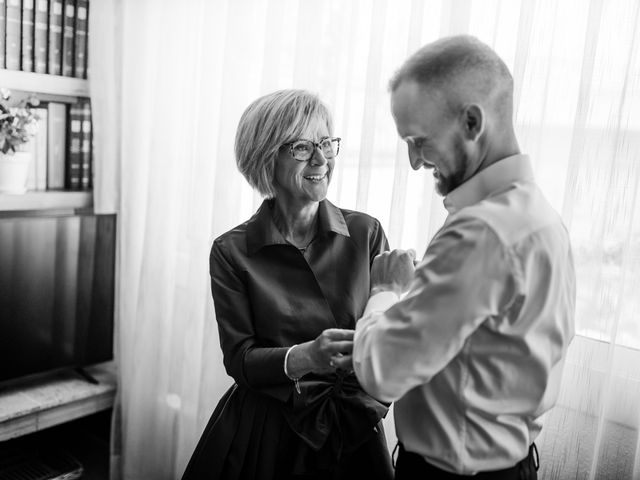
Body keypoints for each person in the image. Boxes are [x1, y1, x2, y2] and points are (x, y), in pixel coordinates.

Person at [348, 35, 576, 479]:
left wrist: (385, 292)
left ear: (472, 121)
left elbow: (380, 372)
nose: (414, 162)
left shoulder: (482, 233)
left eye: (419, 140)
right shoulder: (539, 216)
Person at [182, 89, 393, 480]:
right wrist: (307, 356)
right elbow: (240, 359)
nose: (321, 159)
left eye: (326, 143)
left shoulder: (366, 232)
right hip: (266, 435)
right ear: (266, 157)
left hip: (353, 428)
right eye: (301, 146)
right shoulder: (231, 251)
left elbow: (393, 337)